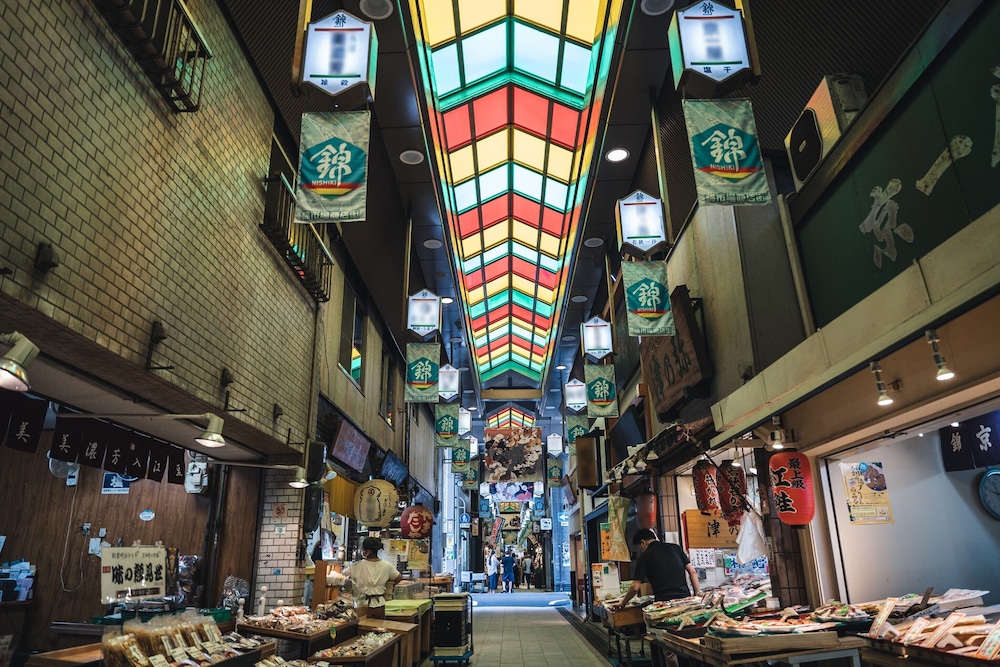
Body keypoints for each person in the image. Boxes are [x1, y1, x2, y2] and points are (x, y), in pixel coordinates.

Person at [615, 529, 699, 608]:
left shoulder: (644, 557)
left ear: (643, 542)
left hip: (664, 603)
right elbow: (692, 572)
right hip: (685, 599)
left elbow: (635, 587)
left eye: (640, 547)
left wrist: (623, 602)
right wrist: (696, 595)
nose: (641, 550)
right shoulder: (676, 548)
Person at [344, 536, 401, 619]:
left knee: (363, 629)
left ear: (368, 551)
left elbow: (343, 574)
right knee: (379, 629)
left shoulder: (358, 565)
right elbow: (398, 577)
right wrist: (389, 585)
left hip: (362, 603)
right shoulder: (387, 565)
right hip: (380, 603)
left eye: (363, 549)